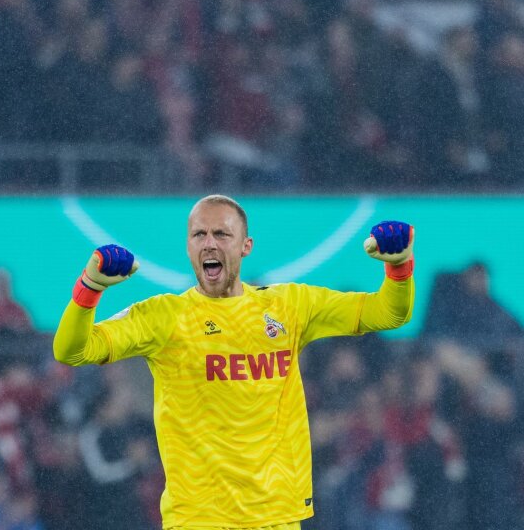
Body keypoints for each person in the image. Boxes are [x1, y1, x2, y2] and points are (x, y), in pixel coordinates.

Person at [53, 194, 416, 530]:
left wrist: (399, 267)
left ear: (246, 247)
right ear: (188, 246)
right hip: (201, 518)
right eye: (198, 234)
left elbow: (387, 313)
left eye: (221, 234)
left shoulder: (290, 306)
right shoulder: (164, 317)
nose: (209, 243)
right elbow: (72, 350)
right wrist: (90, 287)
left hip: (279, 515)